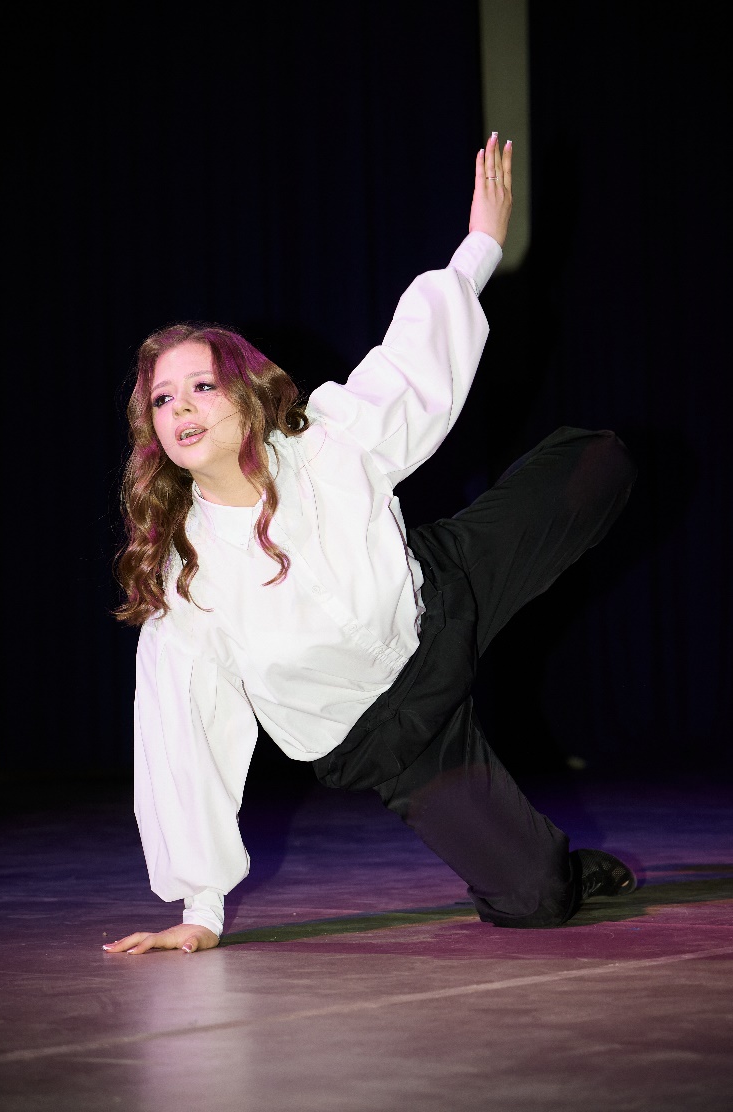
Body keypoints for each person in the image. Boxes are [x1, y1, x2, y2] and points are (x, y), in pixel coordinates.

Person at [104, 133, 637, 958]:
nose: (182, 408)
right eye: (164, 399)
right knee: (534, 899)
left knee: (601, 461)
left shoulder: (324, 441)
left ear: (245, 395)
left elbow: (411, 366)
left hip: (440, 591)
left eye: (201, 385)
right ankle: (560, 871)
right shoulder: (188, 583)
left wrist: (481, 245)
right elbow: (190, 734)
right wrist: (200, 910)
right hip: (392, 731)